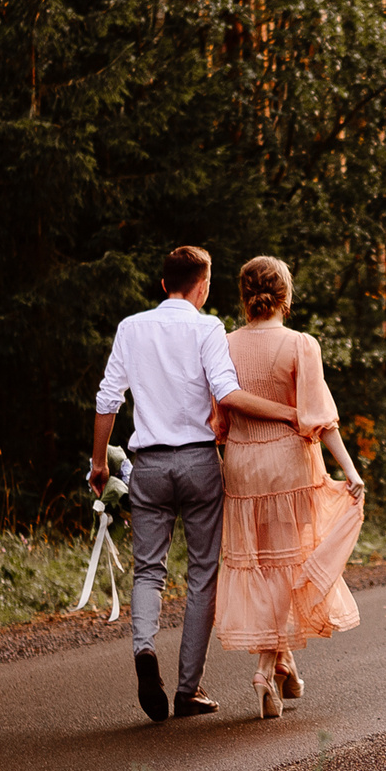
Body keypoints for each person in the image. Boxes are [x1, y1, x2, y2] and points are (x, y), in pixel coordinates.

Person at [90, 246, 306, 723]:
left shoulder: (131, 328)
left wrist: (99, 465)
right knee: (203, 574)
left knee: (148, 570)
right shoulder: (208, 327)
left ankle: (145, 650)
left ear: (164, 284)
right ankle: (188, 690)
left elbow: (108, 398)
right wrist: (291, 414)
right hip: (198, 463)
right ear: (203, 287)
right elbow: (228, 395)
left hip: (147, 465)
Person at [213, 255, 365, 719]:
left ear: (244, 296)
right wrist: (351, 470)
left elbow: (218, 420)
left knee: (262, 567)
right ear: (286, 295)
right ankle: (264, 670)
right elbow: (319, 419)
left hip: (241, 466)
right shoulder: (301, 344)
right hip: (287, 467)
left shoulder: (222, 344)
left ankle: (286, 668)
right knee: (287, 566)